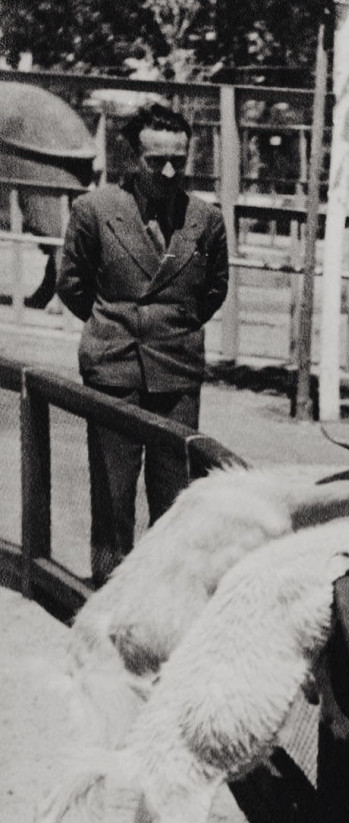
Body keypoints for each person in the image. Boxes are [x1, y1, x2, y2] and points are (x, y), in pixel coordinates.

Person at [57, 102, 230, 585]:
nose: (170, 170)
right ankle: (108, 593)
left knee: (176, 495)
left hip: (176, 373)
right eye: (156, 161)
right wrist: (118, 326)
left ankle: (164, 594)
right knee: (112, 494)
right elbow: (72, 285)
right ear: (134, 157)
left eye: (179, 158)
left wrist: (168, 328)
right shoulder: (95, 211)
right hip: (115, 370)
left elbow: (213, 291)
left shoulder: (205, 220)